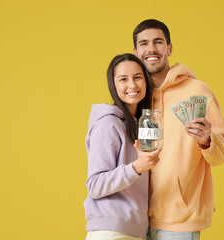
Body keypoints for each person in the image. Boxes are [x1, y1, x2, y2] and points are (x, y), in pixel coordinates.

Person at [132, 19, 224, 239]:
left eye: (158, 42)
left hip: (179, 220)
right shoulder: (135, 95)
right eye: (144, 43)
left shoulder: (197, 91)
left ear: (169, 48)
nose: (151, 49)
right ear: (135, 51)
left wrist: (208, 141)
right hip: (135, 217)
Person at [84, 53, 162, 240]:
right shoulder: (108, 124)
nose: (132, 85)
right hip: (112, 232)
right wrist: (136, 168)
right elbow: (94, 185)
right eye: (123, 79)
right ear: (114, 85)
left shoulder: (142, 124)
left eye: (137, 77)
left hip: (134, 231)